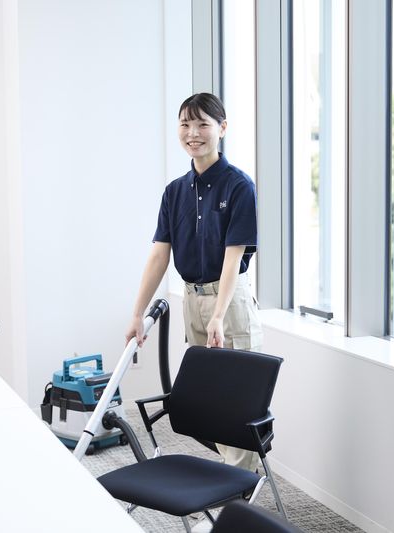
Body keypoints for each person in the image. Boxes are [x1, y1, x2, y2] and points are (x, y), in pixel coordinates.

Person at [125, 92, 262, 471]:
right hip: (192, 300)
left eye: (203, 124)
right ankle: (231, 486)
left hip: (229, 302)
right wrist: (137, 313)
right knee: (212, 401)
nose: (193, 133)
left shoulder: (239, 186)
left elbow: (233, 258)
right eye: (186, 124)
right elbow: (159, 255)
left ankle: (238, 495)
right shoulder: (174, 192)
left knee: (238, 400)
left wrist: (218, 315)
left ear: (222, 128)